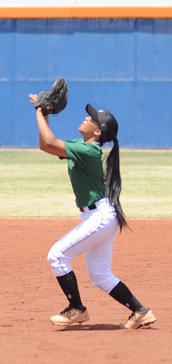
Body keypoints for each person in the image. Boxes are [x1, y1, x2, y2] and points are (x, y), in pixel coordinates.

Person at [29, 93, 156, 329]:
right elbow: (45, 144)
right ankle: (141, 312)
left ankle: (76, 309)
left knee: (56, 255)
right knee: (100, 276)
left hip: (99, 217)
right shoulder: (81, 146)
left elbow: (47, 142)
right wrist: (45, 114)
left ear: (98, 132)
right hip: (99, 216)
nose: (87, 119)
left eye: (92, 119)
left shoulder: (88, 151)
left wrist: (39, 112)